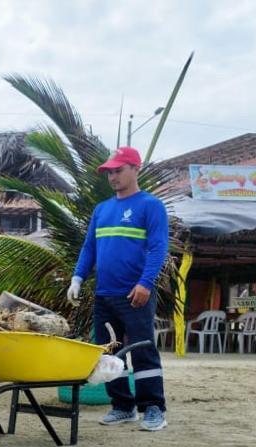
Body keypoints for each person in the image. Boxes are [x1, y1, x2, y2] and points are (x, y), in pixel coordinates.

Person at [67, 146, 169, 431]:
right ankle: (123, 406)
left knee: (143, 350)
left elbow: (158, 247)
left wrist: (145, 283)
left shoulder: (150, 206)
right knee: (109, 353)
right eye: (109, 172)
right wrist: (77, 278)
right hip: (104, 295)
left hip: (135, 294)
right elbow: (89, 247)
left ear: (136, 169)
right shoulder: (102, 210)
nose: (113, 176)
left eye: (118, 170)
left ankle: (153, 408)